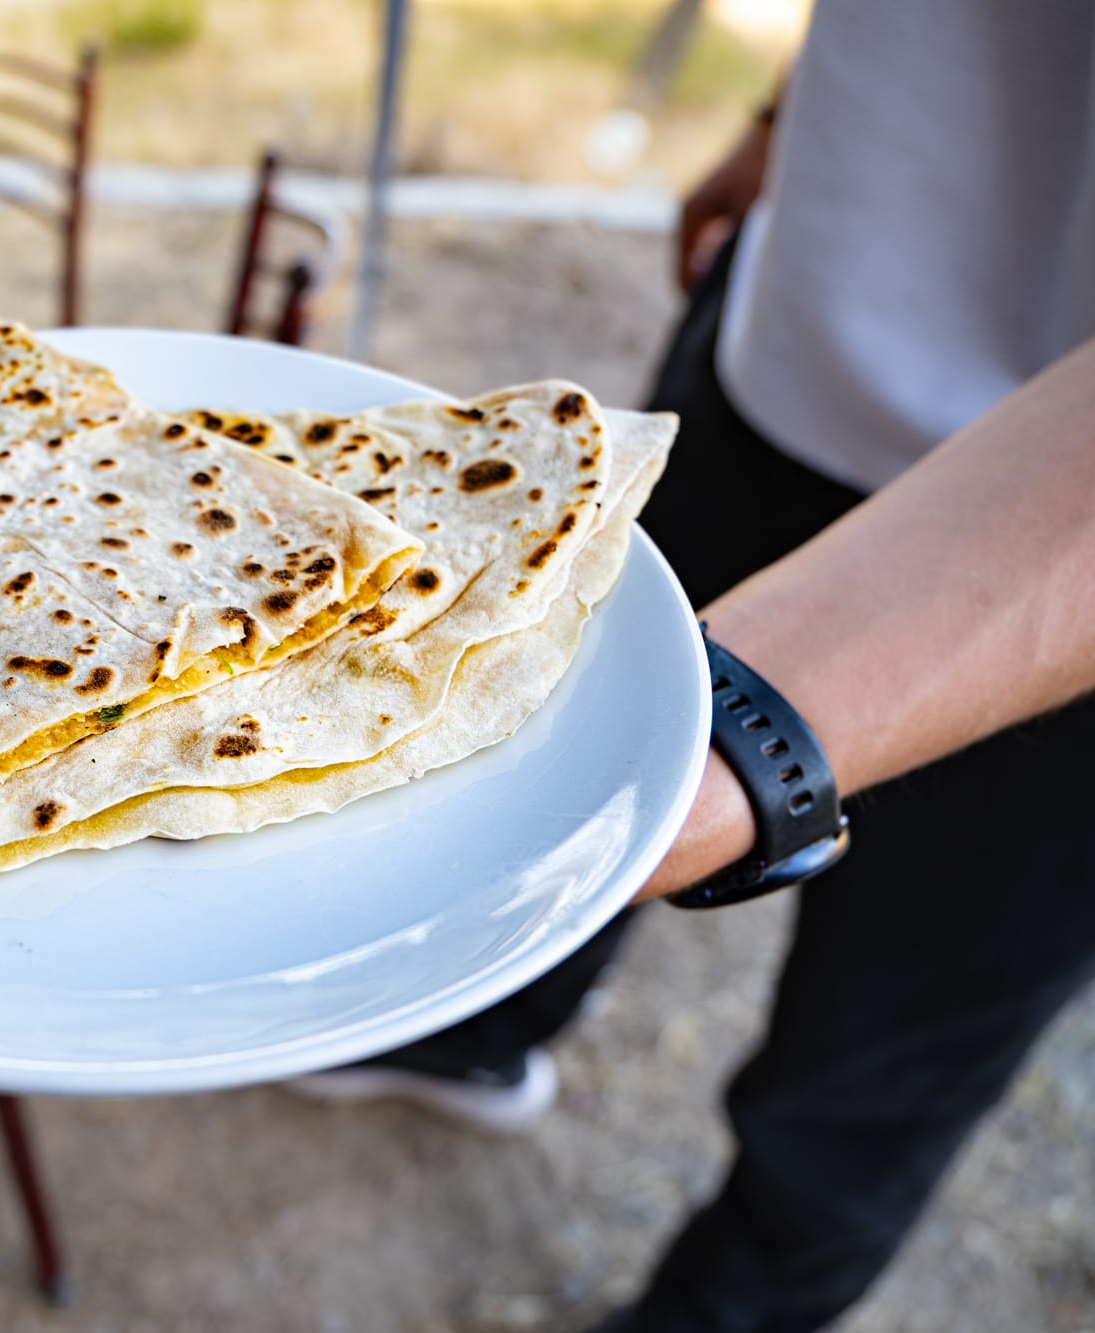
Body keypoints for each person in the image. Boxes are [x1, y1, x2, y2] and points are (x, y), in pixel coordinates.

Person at [295, 4, 1095, 1330]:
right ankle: (476, 1034)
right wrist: (795, 122)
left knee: (865, 1075)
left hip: (1055, 593)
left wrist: (740, 733)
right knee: (535, 886)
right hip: (780, 347)